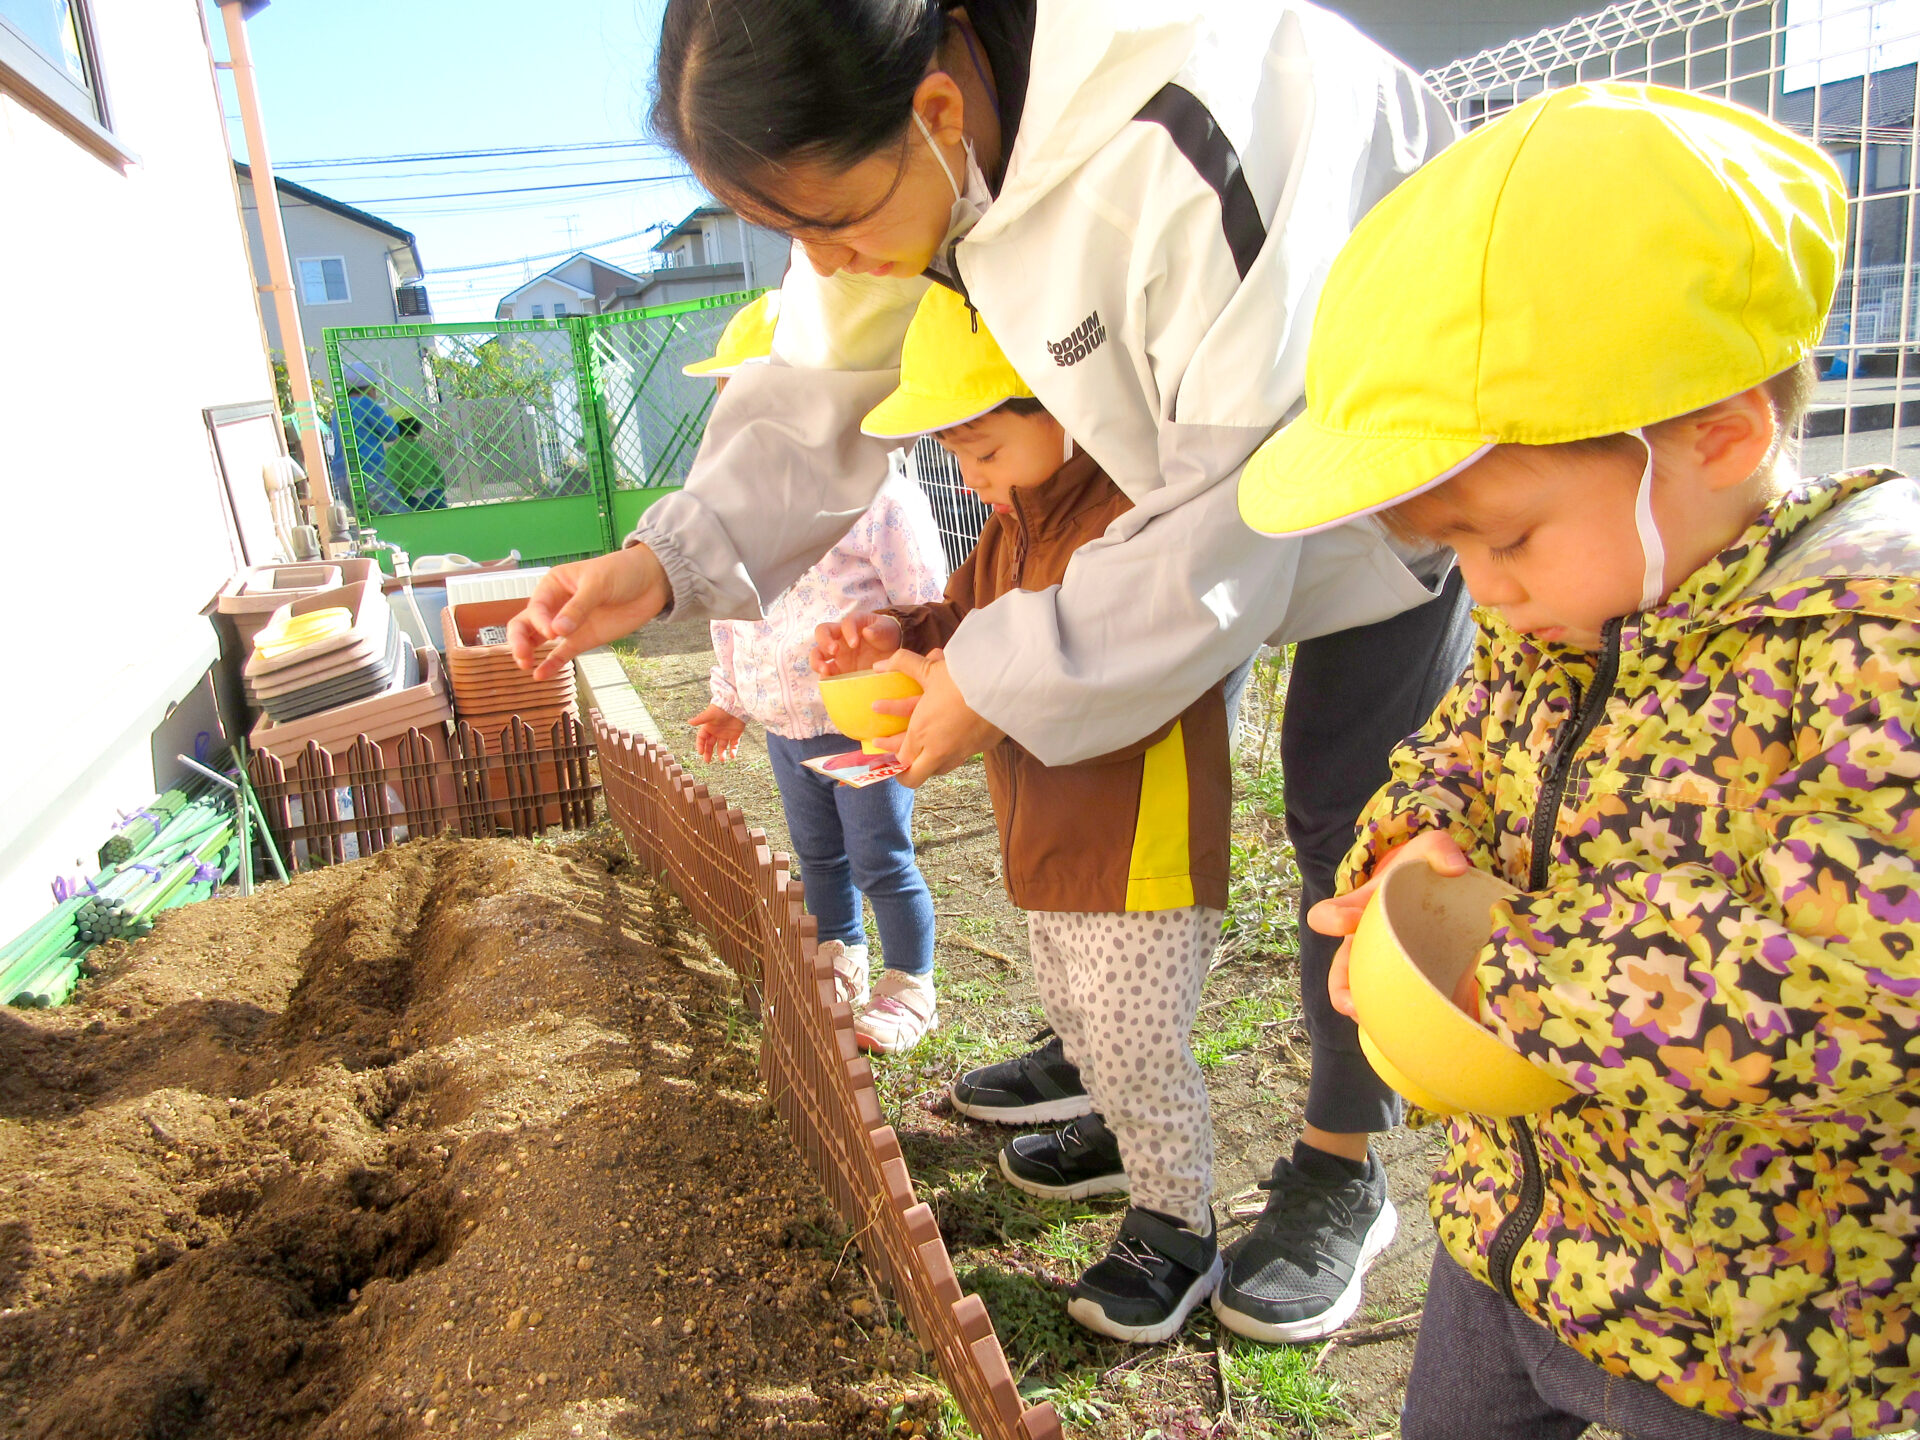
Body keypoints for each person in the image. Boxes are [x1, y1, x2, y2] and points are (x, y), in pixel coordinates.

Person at [508, 0, 1475, 1339]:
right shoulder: (891, 154)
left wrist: (994, 675)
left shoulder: (1187, 117)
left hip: (1388, 500)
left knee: (1344, 827)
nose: (830, 262)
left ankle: (1338, 1164)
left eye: (831, 228)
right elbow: (819, 375)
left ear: (938, 117)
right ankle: (1104, 1068)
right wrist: (665, 560)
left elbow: (1237, 510)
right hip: (1165, 513)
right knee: (1116, 804)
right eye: (795, 236)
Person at [1240, 84, 1920, 1436]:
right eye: (1455, 553)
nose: (1484, 592)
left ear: (1721, 438)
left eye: (1507, 538)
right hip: (1517, 1231)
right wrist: (1408, 849)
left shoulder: (1868, 641)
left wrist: (1508, 967)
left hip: (1754, 1321)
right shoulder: (1566, 619)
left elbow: (1858, 988)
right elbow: (1456, 751)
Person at [815, 288, 1233, 1343]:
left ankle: (1179, 1225)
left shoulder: (1129, 520)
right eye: (957, 452)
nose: (971, 475)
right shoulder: (1012, 528)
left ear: (1065, 403)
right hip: (1049, 840)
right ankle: (1116, 1146)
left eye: (986, 446)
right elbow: (965, 620)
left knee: (1138, 1045)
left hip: (1136, 843)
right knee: (1082, 1018)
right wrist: (895, 632)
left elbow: (1088, 661)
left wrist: (956, 666)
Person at [689, 294, 952, 1053]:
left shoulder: (880, 499)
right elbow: (732, 615)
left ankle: (911, 986)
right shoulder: (736, 511)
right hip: (787, 726)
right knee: (820, 859)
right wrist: (730, 700)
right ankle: (842, 964)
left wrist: (923, 683)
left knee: (880, 856)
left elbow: (927, 604)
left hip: (865, 720)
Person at [330, 361, 403, 515]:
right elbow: (391, 433)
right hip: (368, 473)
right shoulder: (366, 403)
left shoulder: (339, 410)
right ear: (370, 389)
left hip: (342, 477)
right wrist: (388, 419)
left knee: (368, 523)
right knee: (400, 516)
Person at [387, 416, 448, 511]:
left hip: (413, 497)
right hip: (435, 493)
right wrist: (440, 489)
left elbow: (394, 476)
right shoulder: (423, 449)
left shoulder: (394, 451)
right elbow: (438, 472)